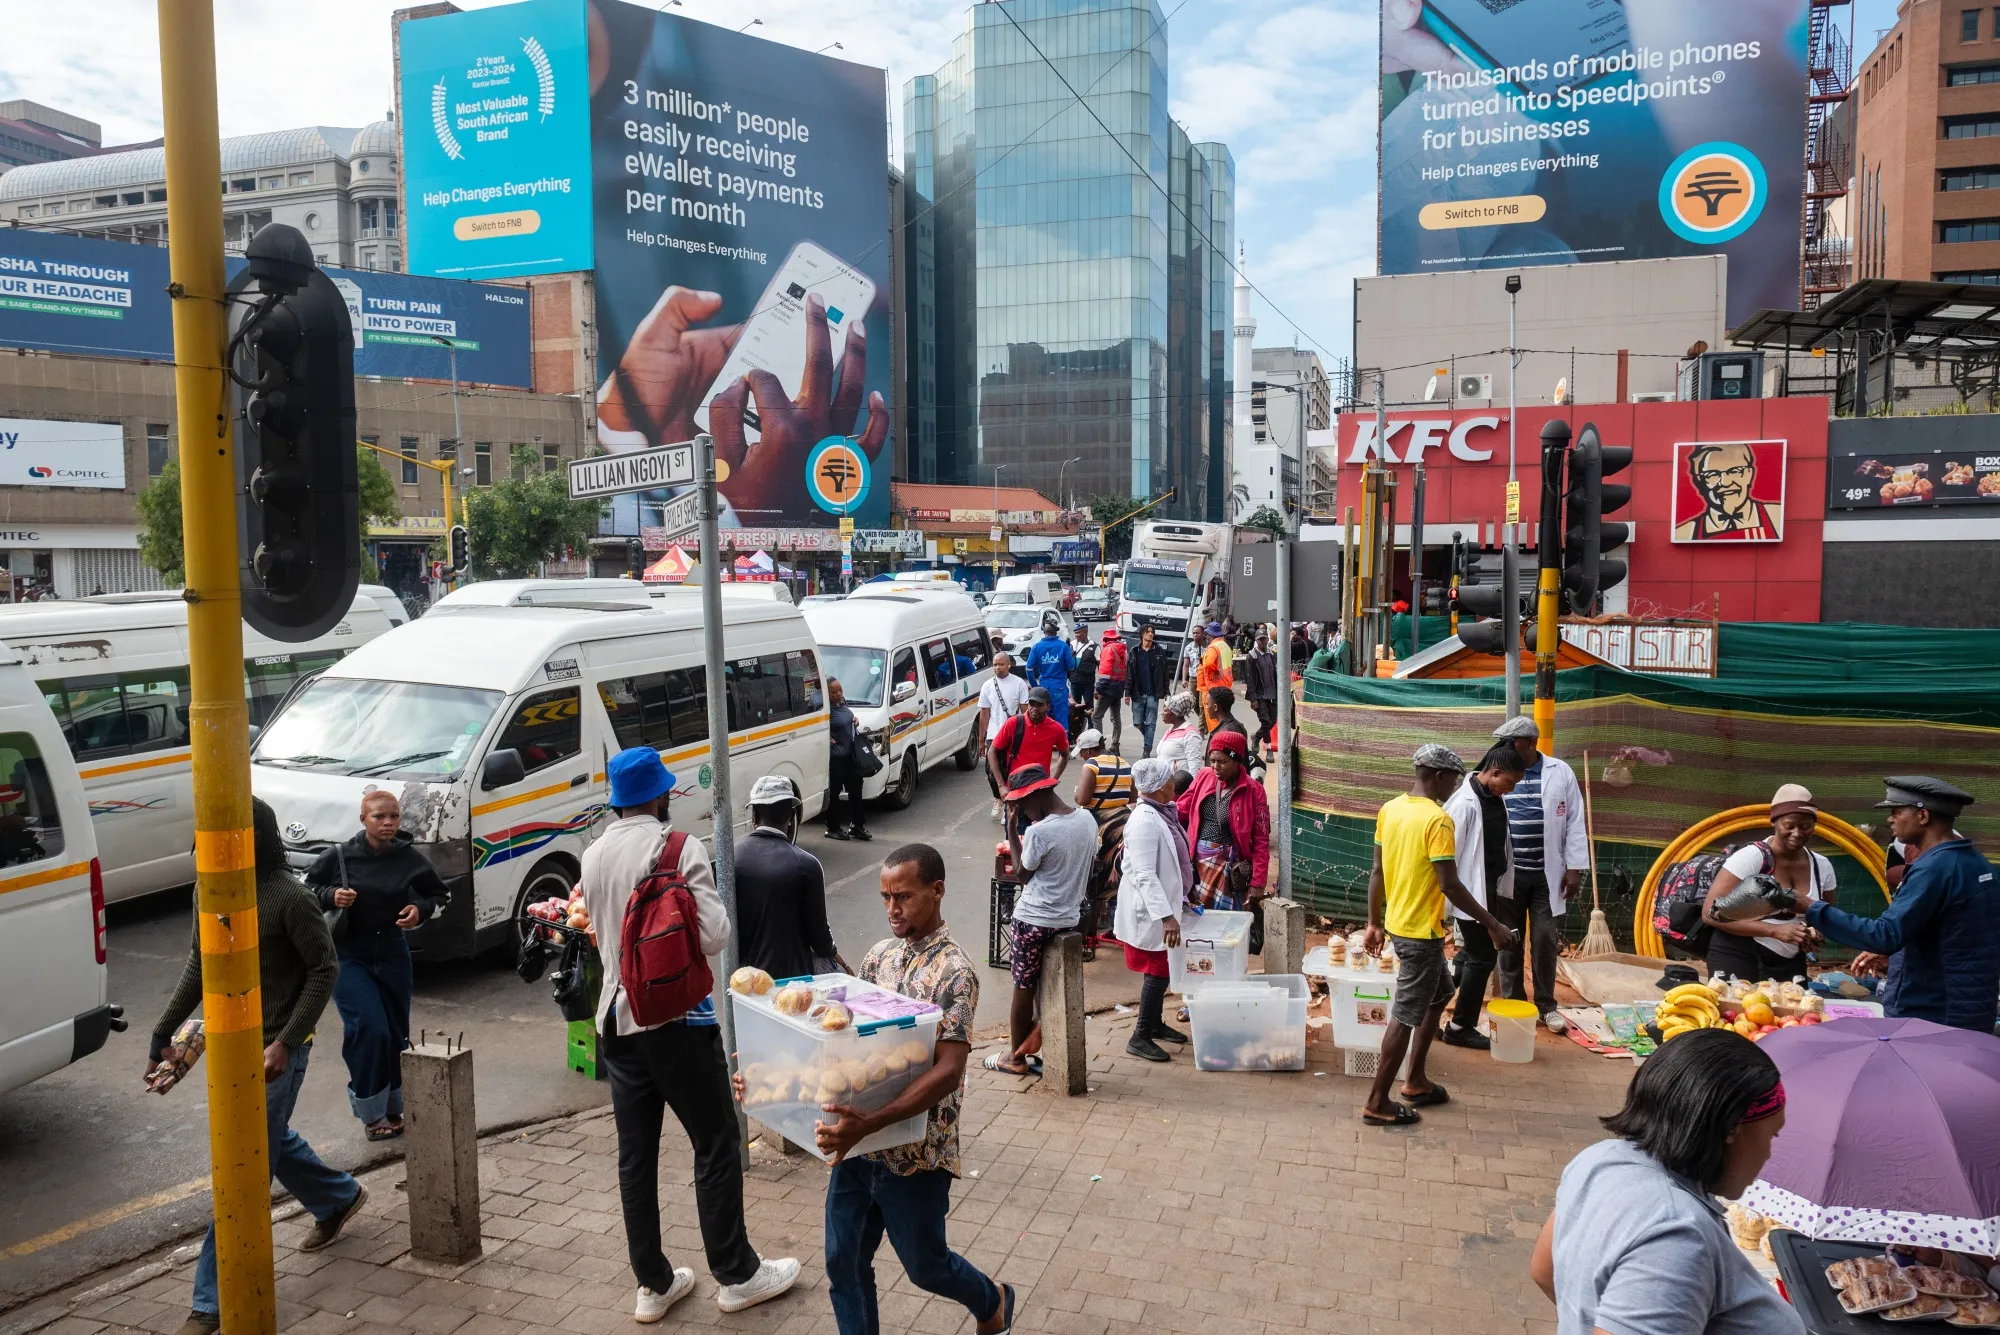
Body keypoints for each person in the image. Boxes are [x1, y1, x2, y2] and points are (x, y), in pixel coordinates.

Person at [579, 747, 800, 1323]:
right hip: (675, 1023)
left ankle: (652, 1285)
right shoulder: (679, 849)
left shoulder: (593, 854)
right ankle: (738, 1274)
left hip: (616, 1023)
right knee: (716, 1142)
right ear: (659, 796)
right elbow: (716, 935)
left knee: (636, 1157)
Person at [155, 799, 366, 1335]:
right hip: (228, 1045)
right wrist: (164, 1029)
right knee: (266, 1144)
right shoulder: (209, 890)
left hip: (278, 1053)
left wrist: (288, 1043)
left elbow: (324, 969)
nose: (203, 847)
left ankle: (209, 1305)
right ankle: (338, 1197)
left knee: (241, 1169)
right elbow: (200, 964)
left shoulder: (288, 898)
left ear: (251, 840)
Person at [801, 844, 1014, 1335]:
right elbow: (846, 1040)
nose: (892, 909)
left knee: (926, 1267)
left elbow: (949, 1071)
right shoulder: (879, 957)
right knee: (844, 1263)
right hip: (858, 1143)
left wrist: (870, 1123)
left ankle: (993, 1299)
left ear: (937, 891)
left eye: (904, 896)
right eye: (885, 898)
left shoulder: (955, 972)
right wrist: (775, 1067)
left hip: (916, 1150)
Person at [1530, 1029, 1802, 1335]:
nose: (1768, 1154)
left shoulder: (1599, 1159)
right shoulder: (1676, 1235)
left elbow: (1544, 1270)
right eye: (1770, 1136)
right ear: (1731, 1130)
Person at [1361, 746, 1519, 1127]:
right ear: (1437, 776)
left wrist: (1374, 922)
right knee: (1404, 1015)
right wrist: (1493, 925)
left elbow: (1377, 872)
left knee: (1441, 992)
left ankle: (1415, 1081)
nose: (1454, 786)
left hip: (1401, 925)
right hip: (1420, 932)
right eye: (1452, 778)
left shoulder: (1391, 809)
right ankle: (1377, 1102)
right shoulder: (1438, 820)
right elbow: (1450, 884)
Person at [1795, 776, 2000, 1032]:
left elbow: (1886, 934)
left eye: (1896, 811)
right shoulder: (1975, 862)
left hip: (1933, 1014)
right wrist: (1896, 950)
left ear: (1923, 816)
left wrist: (1810, 907)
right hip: (1969, 1007)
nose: (1890, 819)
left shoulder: (1935, 869)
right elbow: (1954, 930)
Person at [307, 790, 449, 1140]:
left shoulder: (408, 857)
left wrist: (420, 911)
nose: (388, 823)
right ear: (363, 820)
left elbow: (440, 895)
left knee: (396, 1032)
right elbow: (305, 889)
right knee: (369, 1028)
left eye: (394, 817)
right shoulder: (338, 856)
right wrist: (330, 895)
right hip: (348, 954)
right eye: (379, 817)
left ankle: (394, 1106)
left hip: (392, 952)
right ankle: (372, 1112)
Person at [985, 763, 1098, 1076]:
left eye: (1022, 804)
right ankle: (1038, 1035)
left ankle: (1014, 1058)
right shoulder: (1086, 819)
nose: (1021, 810)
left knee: (1024, 985)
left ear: (1038, 794)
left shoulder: (1039, 831)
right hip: (1068, 917)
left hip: (1033, 920)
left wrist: (1011, 831)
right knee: (1044, 982)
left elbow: (1022, 874)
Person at [1491, 716, 1588, 1033]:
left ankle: (1547, 1006)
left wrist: (1573, 868)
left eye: (1512, 742)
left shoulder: (1560, 773)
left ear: (1531, 743)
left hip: (1548, 875)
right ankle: (1514, 1002)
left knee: (1545, 939)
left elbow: (1574, 821)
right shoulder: (1497, 769)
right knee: (1509, 940)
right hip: (1510, 875)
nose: (1505, 748)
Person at [1700, 783, 1836, 984]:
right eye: (1789, 826)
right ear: (1774, 822)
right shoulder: (1752, 858)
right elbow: (1710, 914)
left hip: (1790, 960)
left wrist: (1813, 935)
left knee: (1792, 1013)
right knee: (1739, 1013)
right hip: (1738, 954)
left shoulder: (1821, 866)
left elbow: (1826, 916)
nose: (1797, 833)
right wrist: (1774, 931)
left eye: (1806, 826)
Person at [1440, 745, 1527, 1050]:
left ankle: (1433, 1006)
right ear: (1495, 772)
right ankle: (1460, 1026)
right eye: (1510, 782)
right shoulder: (1463, 804)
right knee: (1483, 956)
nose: (1512, 789)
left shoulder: (1491, 796)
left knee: (1469, 956)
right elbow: (1447, 857)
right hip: (1467, 894)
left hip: (1487, 889)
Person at [735, 775, 846, 981]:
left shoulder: (731, 858)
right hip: (791, 980)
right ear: (791, 814)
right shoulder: (806, 864)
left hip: (744, 979)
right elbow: (819, 935)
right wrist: (834, 955)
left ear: (754, 815)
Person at [1116, 757, 1190, 1063]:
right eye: (1171, 780)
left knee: (1164, 967)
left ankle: (1155, 1023)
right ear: (1159, 788)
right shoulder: (1145, 820)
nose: (1175, 784)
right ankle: (1140, 1035)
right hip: (1152, 912)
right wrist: (1167, 916)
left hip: (1165, 905)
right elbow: (1144, 874)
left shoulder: (1161, 812)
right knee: (1158, 970)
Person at [1174, 730, 1270, 912]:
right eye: (1213, 761)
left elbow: (1261, 839)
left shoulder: (1253, 790)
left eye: (1222, 762)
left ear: (1237, 761)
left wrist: (1258, 881)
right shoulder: (1204, 776)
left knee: (1226, 924)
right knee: (1195, 919)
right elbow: (1182, 808)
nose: (1216, 767)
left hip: (1229, 868)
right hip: (1198, 865)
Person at [1672, 439, 1783, 542]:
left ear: (1749, 474)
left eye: (1735, 471)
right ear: (1699, 482)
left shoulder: (1776, 516)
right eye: (1712, 474)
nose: (1725, 482)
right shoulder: (1686, 533)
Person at [985, 686, 1070, 797]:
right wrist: (1001, 786)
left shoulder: (1056, 729)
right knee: (1012, 815)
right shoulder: (1013, 723)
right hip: (1014, 789)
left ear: (1047, 706)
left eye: (1039, 705)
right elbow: (992, 751)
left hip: (1040, 790)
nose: (1034, 708)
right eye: (1031, 704)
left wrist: (1053, 780)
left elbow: (1064, 754)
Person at [975, 652, 1030, 820]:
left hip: (1013, 734)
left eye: (1001, 664)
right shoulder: (987, 685)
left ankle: (1009, 806)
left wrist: (1026, 735)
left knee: (1010, 772)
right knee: (992, 772)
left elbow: (1024, 711)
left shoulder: (1019, 683)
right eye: (995, 665)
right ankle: (998, 798)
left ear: (1009, 665)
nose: (997, 667)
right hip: (994, 735)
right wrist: (981, 740)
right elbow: (984, 714)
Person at [824, 679, 871, 843]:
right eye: (834, 692)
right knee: (834, 793)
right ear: (826, 693)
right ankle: (832, 828)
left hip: (851, 754)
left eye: (840, 690)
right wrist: (825, 736)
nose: (839, 694)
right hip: (836, 758)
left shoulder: (841, 703)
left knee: (856, 789)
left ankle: (857, 825)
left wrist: (854, 720)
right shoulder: (824, 709)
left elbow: (846, 719)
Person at [1021, 614, 1076, 732]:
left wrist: (1035, 687)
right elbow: (1072, 666)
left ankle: (1044, 747)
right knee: (1061, 721)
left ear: (1044, 631)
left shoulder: (1036, 647)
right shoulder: (1063, 646)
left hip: (1043, 688)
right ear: (1056, 632)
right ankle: (1062, 749)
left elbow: (1028, 669)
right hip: (1059, 688)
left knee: (1042, 719)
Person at [1126, 625, 1169, 756]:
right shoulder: (1134, 651)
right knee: (1137, 722)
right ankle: (1148, 737)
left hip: (1153, 694)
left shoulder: (1159, 651)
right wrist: (1127, 693)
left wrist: (1166, 692)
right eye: (1148, 632)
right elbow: (1129, 674)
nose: (1150, 634)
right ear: (1142, 634)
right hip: (1137, 693)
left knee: (1150, 723)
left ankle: (1147, 750)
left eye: (1152, 632)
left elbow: (1165, 673)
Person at [1241, 630, 1278, 761]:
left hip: (1272, 694)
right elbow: (1249, 679)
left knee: (1272, 721)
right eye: (1259, 640)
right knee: (1266, 722)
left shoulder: (1272, 654)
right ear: (1256, 641)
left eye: (1264, 639)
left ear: (1268, 639)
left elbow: (1276, 674)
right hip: (1260, 696)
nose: (1262, 642)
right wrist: (1253, 699)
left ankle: (1256, 736)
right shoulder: (1252, 656)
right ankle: (1269, 750)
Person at [1091, 626, 1128, 753]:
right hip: (1118, 688)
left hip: (1107, 689)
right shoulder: (1123, 650)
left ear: (1106, 639)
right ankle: (1115, 745)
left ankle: (1099, 746)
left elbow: (1105, 674)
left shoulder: (1108, 649)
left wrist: (1098, 690)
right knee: (1116, 718)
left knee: (1096, 716)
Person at [1153, 691, 1207, 778]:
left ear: (1175, 713)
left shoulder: (1190, 735)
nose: (1162, 713)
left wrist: (1190, 789)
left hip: (1179, 786)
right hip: (1165, 784)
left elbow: (1194, 766)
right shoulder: (1170, 730)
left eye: (1166, 710)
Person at [1067, 626, 1097, 742]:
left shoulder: (1094, 646)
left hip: (1088, 683)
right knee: (1074, 710)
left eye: (1079, 633)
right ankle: (1075, 736)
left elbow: (1100, 665)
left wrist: (1098, 687)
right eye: (1075, 633)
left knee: (1090, 709)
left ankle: (1091, 735)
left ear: (1085, 632)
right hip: (1074, 682)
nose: (1076, 635)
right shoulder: (1072, 645)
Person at [1195, 621, 1231, 719]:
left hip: (1213, 686)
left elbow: (1209, 664)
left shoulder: (1213, 647)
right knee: (1223, 717)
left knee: (1214, 720)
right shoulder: (1225, 646)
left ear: (1210, 634)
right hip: (1225, 685)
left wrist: (1209, 670)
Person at [1179, 623, 1206, 690]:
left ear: (1203, 634)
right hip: (1193, 679)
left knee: (1203, 700)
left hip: (1205, 679)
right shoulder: (1188, 648)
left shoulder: (1209, 647)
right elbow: (1186, 665)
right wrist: (1184, 679)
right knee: (1192, 699)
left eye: (1197, 633)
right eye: (1194, 633)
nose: (1195, 635)